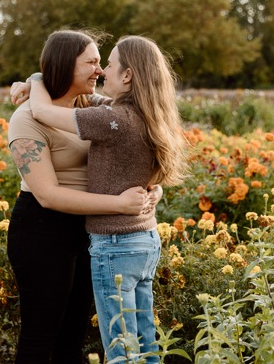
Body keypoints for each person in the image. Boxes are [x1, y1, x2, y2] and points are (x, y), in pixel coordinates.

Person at [27, 35, 188, 363]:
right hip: (146, 241)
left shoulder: (111, 121)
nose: (102, 72)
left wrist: (37, 79)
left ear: (127, 76)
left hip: (116, 245)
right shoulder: (142, 112)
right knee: (146, 341)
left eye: (109, 65)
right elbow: (100, 102)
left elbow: (42, 110)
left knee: (121, 346)